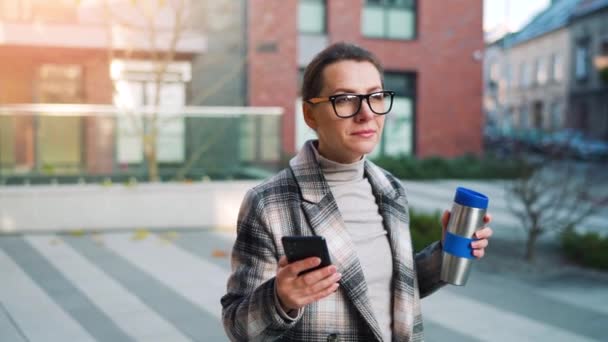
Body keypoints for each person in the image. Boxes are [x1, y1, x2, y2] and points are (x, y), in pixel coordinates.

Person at [221, 42, 493, 341]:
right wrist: (280, 299)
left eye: (375, 96)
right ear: (310, 115)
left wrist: (443, 256)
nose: (366, 113)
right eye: (346, 99)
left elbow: (386, 289)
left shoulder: (390, 189)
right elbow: (238, 328)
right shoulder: (269, 202)